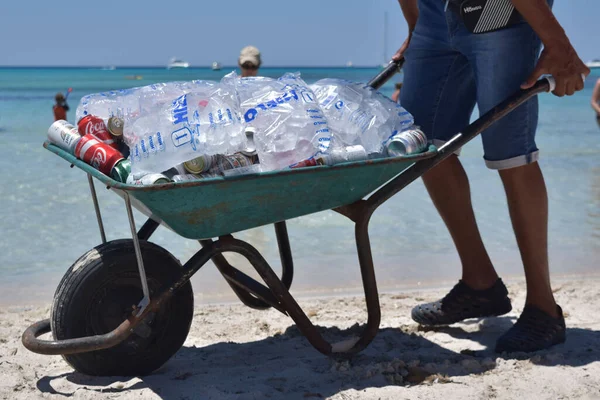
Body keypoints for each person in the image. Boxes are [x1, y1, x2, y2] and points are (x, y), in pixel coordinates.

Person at [393, 0, 589, 353]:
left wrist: (558, 44)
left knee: (511, 153)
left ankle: (544, 308)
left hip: (499, 11)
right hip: (434, 16)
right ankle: (479, 283)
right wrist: (416, 27)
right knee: (420, 145)